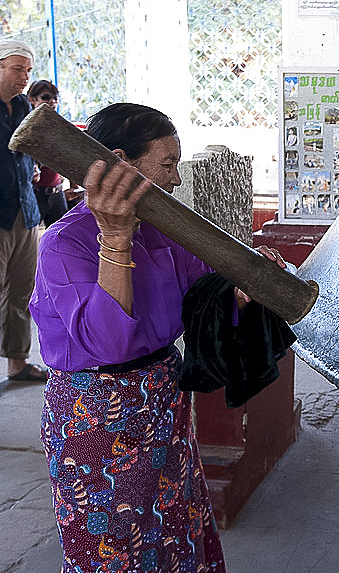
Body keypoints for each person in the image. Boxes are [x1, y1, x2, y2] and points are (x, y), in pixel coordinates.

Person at [30, 102, 286, 572]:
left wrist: (246, 281)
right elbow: (108, 343)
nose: (174, 179)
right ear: (123, 162)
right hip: (96, 422)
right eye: (167, 165)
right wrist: (115, 238)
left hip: (162, 407)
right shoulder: (66, 243)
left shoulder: (163, 231)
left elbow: (204, 291)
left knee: (176, 530)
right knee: (115, 547)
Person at [0, 40, 45, 382]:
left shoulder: (26, 108)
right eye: (18, 69)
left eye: (28, 70)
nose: (25, 77)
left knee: (21, 290)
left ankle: (17, 362)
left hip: (25, 212)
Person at [26, 80, 71, 226]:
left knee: (60, 235)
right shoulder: (25, 127)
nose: (52, 101)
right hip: (34, 193)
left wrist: (73, 184)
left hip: (56, 192)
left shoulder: (58, 125)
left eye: (55, 98)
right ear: (32, 100)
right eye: (46, 97)